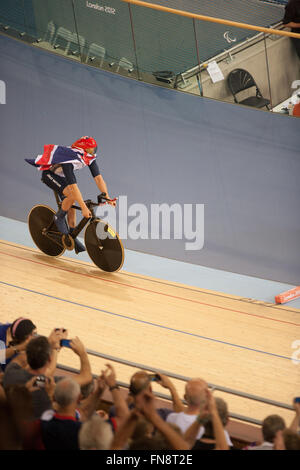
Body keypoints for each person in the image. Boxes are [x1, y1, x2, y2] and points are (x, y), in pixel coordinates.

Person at [25, 136, 116, 254]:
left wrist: (107, 197)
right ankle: (59, 217)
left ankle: (72, 235)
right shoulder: (69, 159)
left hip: (62, 177)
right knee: (73, 196)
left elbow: (98, 178)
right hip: (50, 175)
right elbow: (73, 187)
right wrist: (83, 207)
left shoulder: (88, 158)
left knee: (72, 205)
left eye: (94, 149)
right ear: (83, 149)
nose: (93, 152)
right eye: (90, 149)